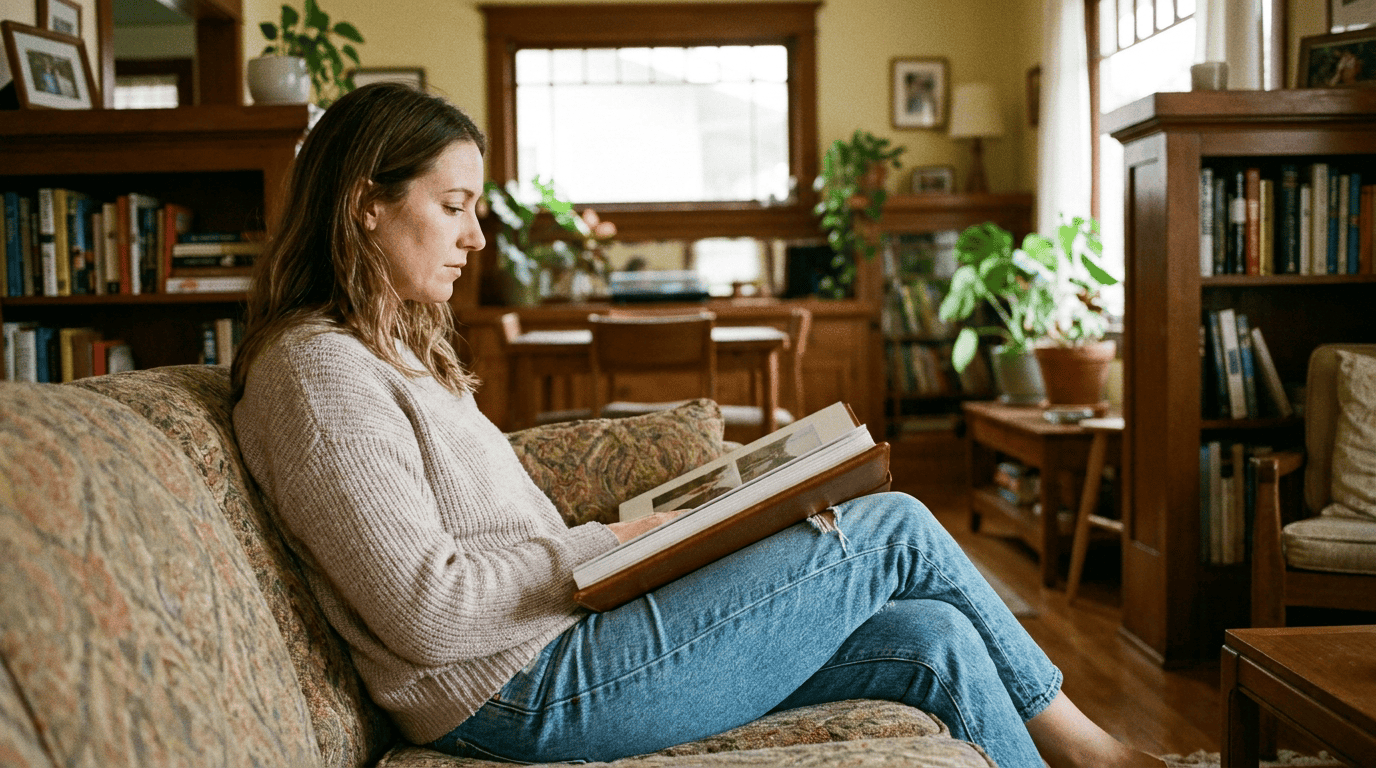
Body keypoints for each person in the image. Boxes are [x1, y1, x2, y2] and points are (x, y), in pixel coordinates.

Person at [231, 82, 1162, 768]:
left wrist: (666, 530)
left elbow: (487, 537)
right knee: (892, 529)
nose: (476, 236)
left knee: (934, 640)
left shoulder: (390, 350)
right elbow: (428, 611)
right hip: (518, 692)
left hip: (559, 644)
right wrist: (608, 545)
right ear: (366, 204)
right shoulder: (317, 373)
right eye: (453, 207)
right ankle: (1095, 754)